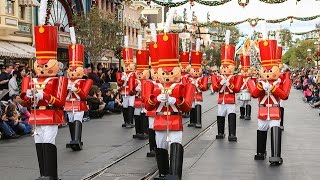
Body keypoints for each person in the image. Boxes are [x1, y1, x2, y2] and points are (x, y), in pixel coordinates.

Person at [144, 32, 195, 179]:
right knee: (160, 146)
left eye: (171, 71)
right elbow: (148, 106)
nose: (167, 75)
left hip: (174, 120)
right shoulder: (152, 86)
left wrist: (176, 101)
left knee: (175, 144)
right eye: (164, 72)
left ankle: (175, 174)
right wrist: (155, 98)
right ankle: (163, 173)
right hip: (160, 120)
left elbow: (187, 107)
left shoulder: (185, 85)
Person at [20, 25, 68, 179]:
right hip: (36, 116)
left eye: (45, 64)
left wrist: (44, 96)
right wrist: (27, 96)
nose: (41, 67)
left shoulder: (59, 80)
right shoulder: (31, 80)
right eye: (39, 64)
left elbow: (60, 102)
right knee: (38, 143)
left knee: (48, 143)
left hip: (51, 115)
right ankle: (43, 174)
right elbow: (26, 104)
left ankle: (52, 175)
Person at [247, 38, 291, 166]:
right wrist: (261, 87)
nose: (267, 73)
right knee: (261, 129)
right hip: (262, 110)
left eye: (270, 70)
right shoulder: (260, 82)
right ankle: (261, 152)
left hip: (274, 110)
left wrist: (273, 88)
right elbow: (254, 95)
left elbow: (284, 96)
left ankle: (276, 155)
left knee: (275, 128)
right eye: (265, 71)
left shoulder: (280, 82)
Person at [211, 32, 243, 142]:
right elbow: (215, 88)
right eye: (223, 67)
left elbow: (237, 89)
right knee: (220, 115)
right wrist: (220, 83)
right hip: (221, 100)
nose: (224, 69)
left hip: (230, 99)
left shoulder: (236, 77)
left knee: (231, 115)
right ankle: (220, 132)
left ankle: (232, 134)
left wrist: (229, 84)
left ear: (232, 67)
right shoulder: (217, 76)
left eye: (227, 67)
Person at [64, 39, 93, 151]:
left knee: (77, 119)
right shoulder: (66, 81)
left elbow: (84, 95)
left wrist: (75, 89)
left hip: (79, 103)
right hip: (69, 103)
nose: (72, 73)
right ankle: (73, 139)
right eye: (71, 70)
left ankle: (76, 139)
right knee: (71, 120)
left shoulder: (85, 81)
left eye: (75, 70)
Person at [187, 40, 208, 128]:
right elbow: (186, 87)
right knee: (191, 107)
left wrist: (198, 85)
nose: (195, 72)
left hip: (198, 95)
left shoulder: (202, 78)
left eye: (197, 70)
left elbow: (204, 87)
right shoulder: (188, 78)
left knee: (198, 105)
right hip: (191, 95)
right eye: (194, 70)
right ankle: (192, 121)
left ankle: (198, 121)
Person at [116, 36, 136, 128]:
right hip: (124, 91)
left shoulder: (134, 74)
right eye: (126, 65)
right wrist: (122, 79)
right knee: (125, 106)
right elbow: (119, 83)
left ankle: (130, 121)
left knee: (131, 105)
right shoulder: (123, 73)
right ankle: (125, 121)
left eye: (129, 65)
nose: (127, 67)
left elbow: (136, 83)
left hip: (131, 92)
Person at [238, 55, 253, 120]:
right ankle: (242, 114)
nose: (245, 73)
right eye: (244, 71)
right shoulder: (240, 78)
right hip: (242, 91)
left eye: (247, 71)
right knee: (241, 103)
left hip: (248, 91)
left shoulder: (250, 79)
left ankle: (248, 115)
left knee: (248, 103)